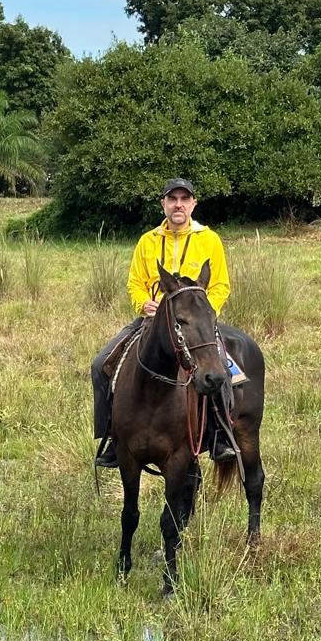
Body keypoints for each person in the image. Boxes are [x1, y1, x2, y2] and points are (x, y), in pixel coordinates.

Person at [91, 177, 237, 467]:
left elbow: (220, 285)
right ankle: (111, 436)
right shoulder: (147, 241)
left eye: (184, 199)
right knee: (100, 364)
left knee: (223, 370)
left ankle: (219, 436)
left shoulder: (209, 240)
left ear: (193, 204)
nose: (178, 205)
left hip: (195, 325)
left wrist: (204, 314)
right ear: (164, 204)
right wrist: (143, 303)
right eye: (173, 199)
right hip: (152, 322)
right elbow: (135, 282)